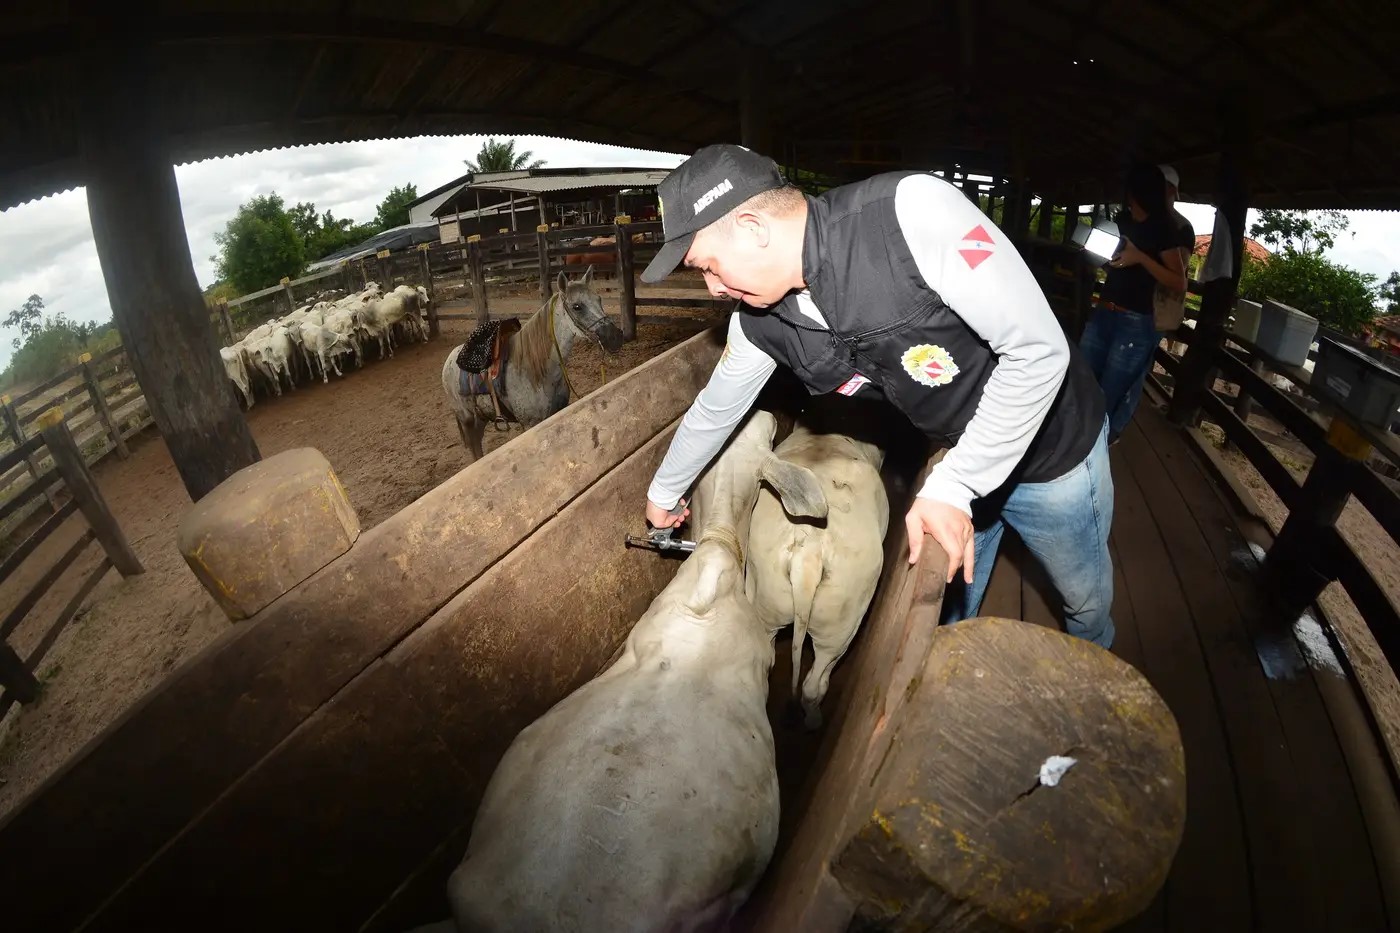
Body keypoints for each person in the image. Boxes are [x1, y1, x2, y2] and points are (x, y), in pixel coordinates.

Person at [637, 144, 1115, 648]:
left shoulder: (911, 217)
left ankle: (1094, 672)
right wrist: (664, 494)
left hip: (1050, 455)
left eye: (709, 266)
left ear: (754, 229)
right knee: (948, 601)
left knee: (1083, 599)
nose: (713, 288)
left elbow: (1038, 352)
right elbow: (715, 409)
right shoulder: (759, 323)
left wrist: (954, 485)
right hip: (957, 451)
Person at [1078, 162, 1188, 445]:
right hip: (1105, 311)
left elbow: (1179, 282)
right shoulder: (1122, 221)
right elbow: (1114, 264)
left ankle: (1098, 444)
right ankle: (1079, 437)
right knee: (1084, 379)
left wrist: (1141, 258)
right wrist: (1098, 255)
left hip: (1136, 323)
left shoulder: (1165, 229)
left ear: (1135, 191)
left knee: (1111, 391)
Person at [1112, 163, 1196, 430]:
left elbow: (1177, 274)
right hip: (1125, 306)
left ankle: (1116, 428)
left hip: (1154, 310)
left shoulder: (1180, 227)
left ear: (1170, 190)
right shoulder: (1135, 218)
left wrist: (1141, 257)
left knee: (1133, 374)